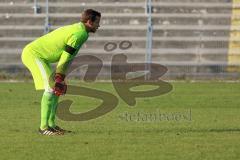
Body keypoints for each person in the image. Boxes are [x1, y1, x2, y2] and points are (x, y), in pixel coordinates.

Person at [21, 9, 101, 136]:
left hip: (41, 57)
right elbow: (66, 56)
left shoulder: (81, 31)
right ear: (89, 21)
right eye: (97, 22)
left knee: (57, 89)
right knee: (50, 89)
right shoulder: (80, 33)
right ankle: (43, 128)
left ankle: (51, 125)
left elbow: (69, 56)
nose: (99, 25)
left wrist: (61, 76)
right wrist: (59, 76)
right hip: (33, 55)